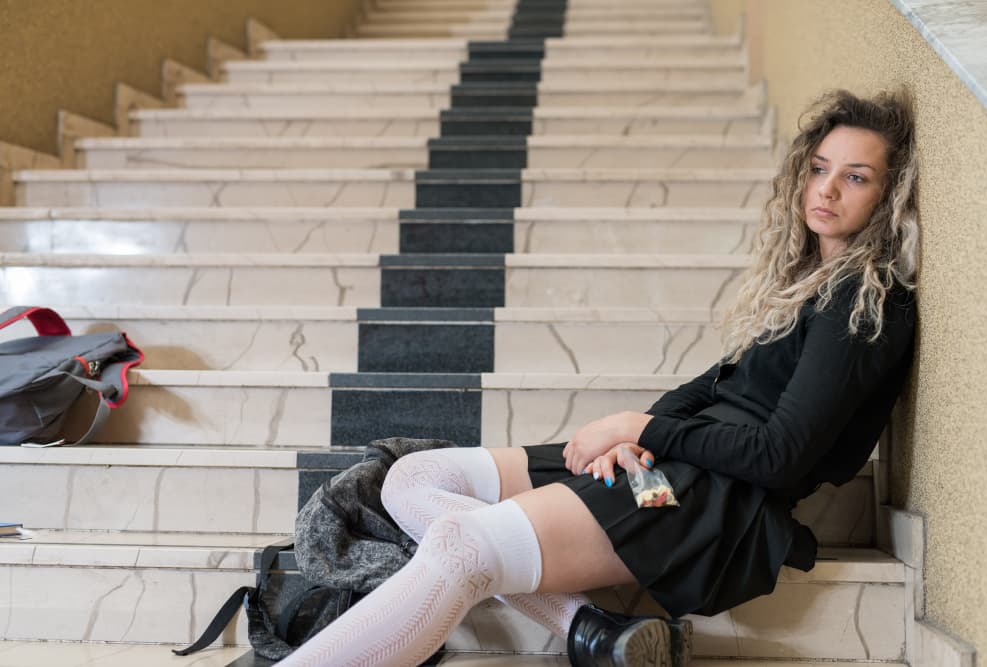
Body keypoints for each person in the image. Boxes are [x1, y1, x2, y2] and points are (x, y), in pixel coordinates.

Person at [276, 88, 919, 667]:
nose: (827, 190)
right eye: (819, 168)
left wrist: (643, 427)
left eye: (855, 178)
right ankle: (590, 628)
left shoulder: (866, 301)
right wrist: (632, 438)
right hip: (665, 474)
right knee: (416, 477)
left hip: (703, 503)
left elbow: (779, 458)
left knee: (460, 546)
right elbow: (710, 389)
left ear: (886, 197)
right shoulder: (809, 287)